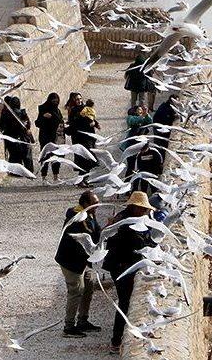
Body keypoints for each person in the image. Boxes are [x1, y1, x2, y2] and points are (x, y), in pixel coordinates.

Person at [102, 192, 156, 353]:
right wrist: (153, 250)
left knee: (127, 302)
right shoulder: (126, 224)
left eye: (146, 210)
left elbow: (144, 240)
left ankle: (125, 335)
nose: (145, 212)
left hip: (120, 264)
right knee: (125, 303)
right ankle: (116, 341)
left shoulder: (125, 217)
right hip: (121, 266)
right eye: (143, 209)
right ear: (135, 207)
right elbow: (138, 243)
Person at [54, 190, 102, 338]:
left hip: (83, 260)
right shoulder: (77, 218)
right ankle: (68, 327)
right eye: (95, 203)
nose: (98, 205)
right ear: (86, 204)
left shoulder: (89, 213)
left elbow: (96, 232)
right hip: (71, 261)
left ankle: (83, 321)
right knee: (76, 291)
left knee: (89, 286)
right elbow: (93, 235)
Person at [65, 93, 97, 178]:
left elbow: (92, 118)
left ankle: (84, 179)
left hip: (88, 137)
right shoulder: (73, 111)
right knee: (84, 159)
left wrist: (95, 123)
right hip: (80, 138)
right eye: (77, 99)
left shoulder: (85, 108)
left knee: (89, 158)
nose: (79, 101)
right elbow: (76, 124)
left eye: (80, 99)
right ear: (73, 101)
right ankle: (81, 179)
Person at [0, 97, 34, 172]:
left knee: (15, 156)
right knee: (27, 155)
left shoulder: (6, 113)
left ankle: (16, 172)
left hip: (12, 136)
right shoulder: (22, 112)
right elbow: (28, 125)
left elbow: (3, 126)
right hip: (23, 137)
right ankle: (29, 171)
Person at [36, 92, 64, 183]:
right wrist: (44, 117)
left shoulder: (58, 111)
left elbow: (60, 121)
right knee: (45, 157)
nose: (55, 102)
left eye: (56, 101)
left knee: (56, 156)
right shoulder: (43, 109)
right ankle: (44, 177)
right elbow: (37, 123)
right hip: (46, 137)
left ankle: (56, 176)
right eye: (53, 101)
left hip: (56, 137)